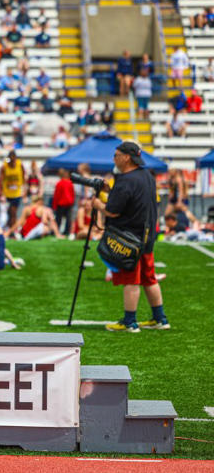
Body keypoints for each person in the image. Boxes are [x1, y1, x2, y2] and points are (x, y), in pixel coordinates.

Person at [92, 141, 168, 332]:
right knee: (149, 278)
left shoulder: (126, 180)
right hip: (147, 235)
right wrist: (112, 192)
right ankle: (160, 319)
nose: (114, 158)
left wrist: (98, 204)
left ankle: (129, 322)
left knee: (131, 280)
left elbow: (112, 211)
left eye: (116, 155)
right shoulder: (147, 176)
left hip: (130, 238)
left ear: (126, 157)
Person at [52, 168, 75, 235]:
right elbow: (72, 193)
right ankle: (67, 232)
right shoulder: (70, 183)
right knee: (68, 219)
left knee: (58, 218)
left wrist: (54, 205)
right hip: (69, 203)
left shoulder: (59, 183)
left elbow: (57, 195)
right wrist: (72, 201)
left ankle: (56, 231)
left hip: (61, 203)